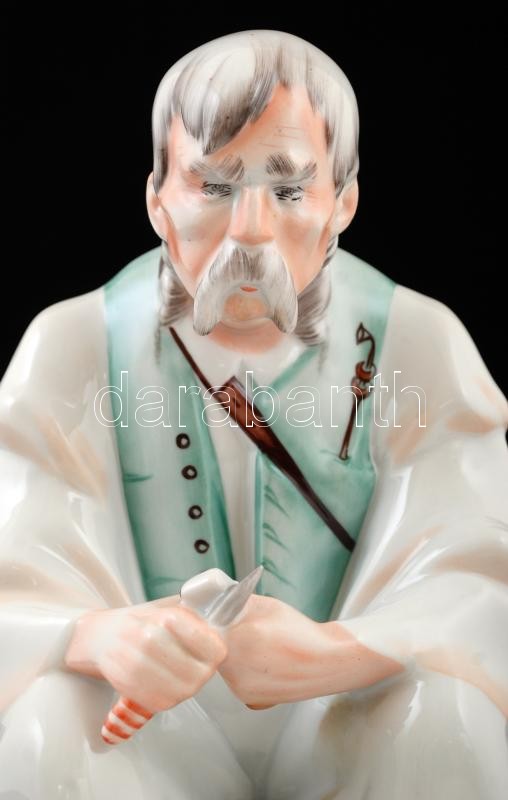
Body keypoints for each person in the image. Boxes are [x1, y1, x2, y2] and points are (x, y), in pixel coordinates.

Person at [0, 29, 507, 800]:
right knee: (49, 724)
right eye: (214, 185)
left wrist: (342, 652)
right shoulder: (75, 346)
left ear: (343, 201)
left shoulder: (416, 341)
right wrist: (98, 635)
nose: (250, 230)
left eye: (290, 190)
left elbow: (477, 571)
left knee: (447, 718)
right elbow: (16, 571)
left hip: (345, 719)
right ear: (157, 199)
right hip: (150, 735)